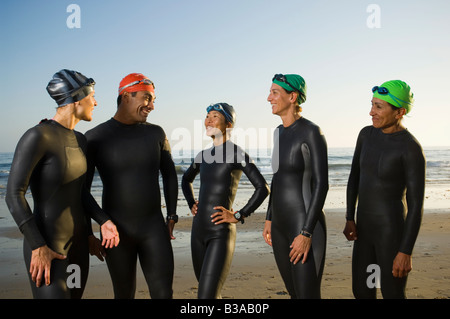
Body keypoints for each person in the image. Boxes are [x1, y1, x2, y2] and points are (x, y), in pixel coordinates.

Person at [5, 69, 119, 299]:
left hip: (78, 249)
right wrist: (37, 246)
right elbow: (13, 194)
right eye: (92, 96)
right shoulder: (38, 136)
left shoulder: (80, 140)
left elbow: (80, 193)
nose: (96, 102)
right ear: (77, 99)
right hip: (47, 248)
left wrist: (101, 222)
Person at [85, 73, 178, 299]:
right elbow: (81, 191)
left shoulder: (156, 133)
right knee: (124, 294)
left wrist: (172, 216)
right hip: (116, 233)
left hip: (153, 228)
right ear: (126, 96)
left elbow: (169, 175)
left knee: (164, 294)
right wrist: (95, 227)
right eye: (147, 98)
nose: (152, 106)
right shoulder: (95, 137)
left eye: (153, 100)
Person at [343, 80, 425, 299]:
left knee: (392, 294)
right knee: (362, 291)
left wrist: (405, 251)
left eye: (379, 107)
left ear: (400, 111)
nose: (372, 112)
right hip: (364, 232)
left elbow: (416, 206)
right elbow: (354, 177)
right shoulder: (366, 135)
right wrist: (350, 217)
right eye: (372, 105)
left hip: (392, 234)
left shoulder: (410, 148)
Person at [182, 103, 269, 298]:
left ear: (228, 124)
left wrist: (239, 214)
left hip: (220, 234)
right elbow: (186, 179)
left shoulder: (236, 153)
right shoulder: (202, 155)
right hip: (198, 233)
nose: (209, 120)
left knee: (206, 296)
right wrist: (191, 202)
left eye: (215, 116)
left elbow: (263, 188)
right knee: (209, 293)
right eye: (207, 116)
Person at [263, 74, 328, 299]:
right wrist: (269, 218)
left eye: (274, 93)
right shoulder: (278, 133)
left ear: (292, 96)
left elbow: (322, 184)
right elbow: (277, 178)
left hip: (304, 225)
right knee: (294, 295)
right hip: (280, 227)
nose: (268, 97)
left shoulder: (311, 131)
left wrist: (306, 233)